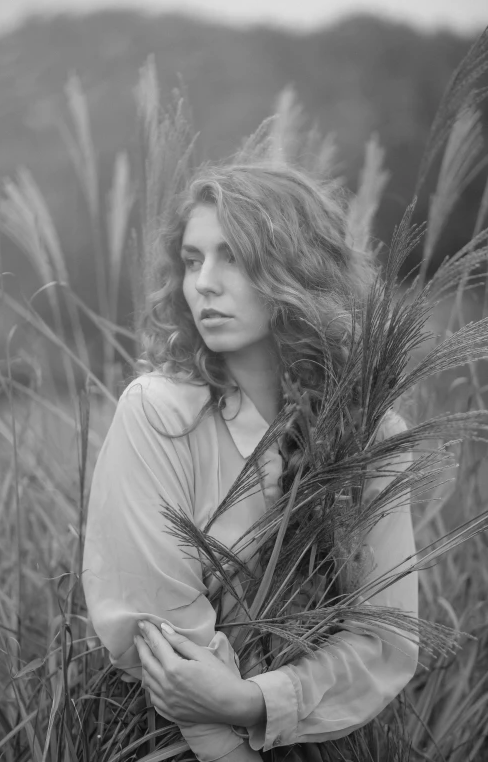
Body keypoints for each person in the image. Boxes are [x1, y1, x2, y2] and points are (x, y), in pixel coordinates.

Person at [82, 163, 419, 762]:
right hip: (173, 744)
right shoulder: (159, 412)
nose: (204, 283)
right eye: (191, 260)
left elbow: (385, 636)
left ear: (299, 271)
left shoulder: (373, 431)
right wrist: (229, 739)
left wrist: (251, 701)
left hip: (337, 741)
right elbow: (162, 637)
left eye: (231, 256)